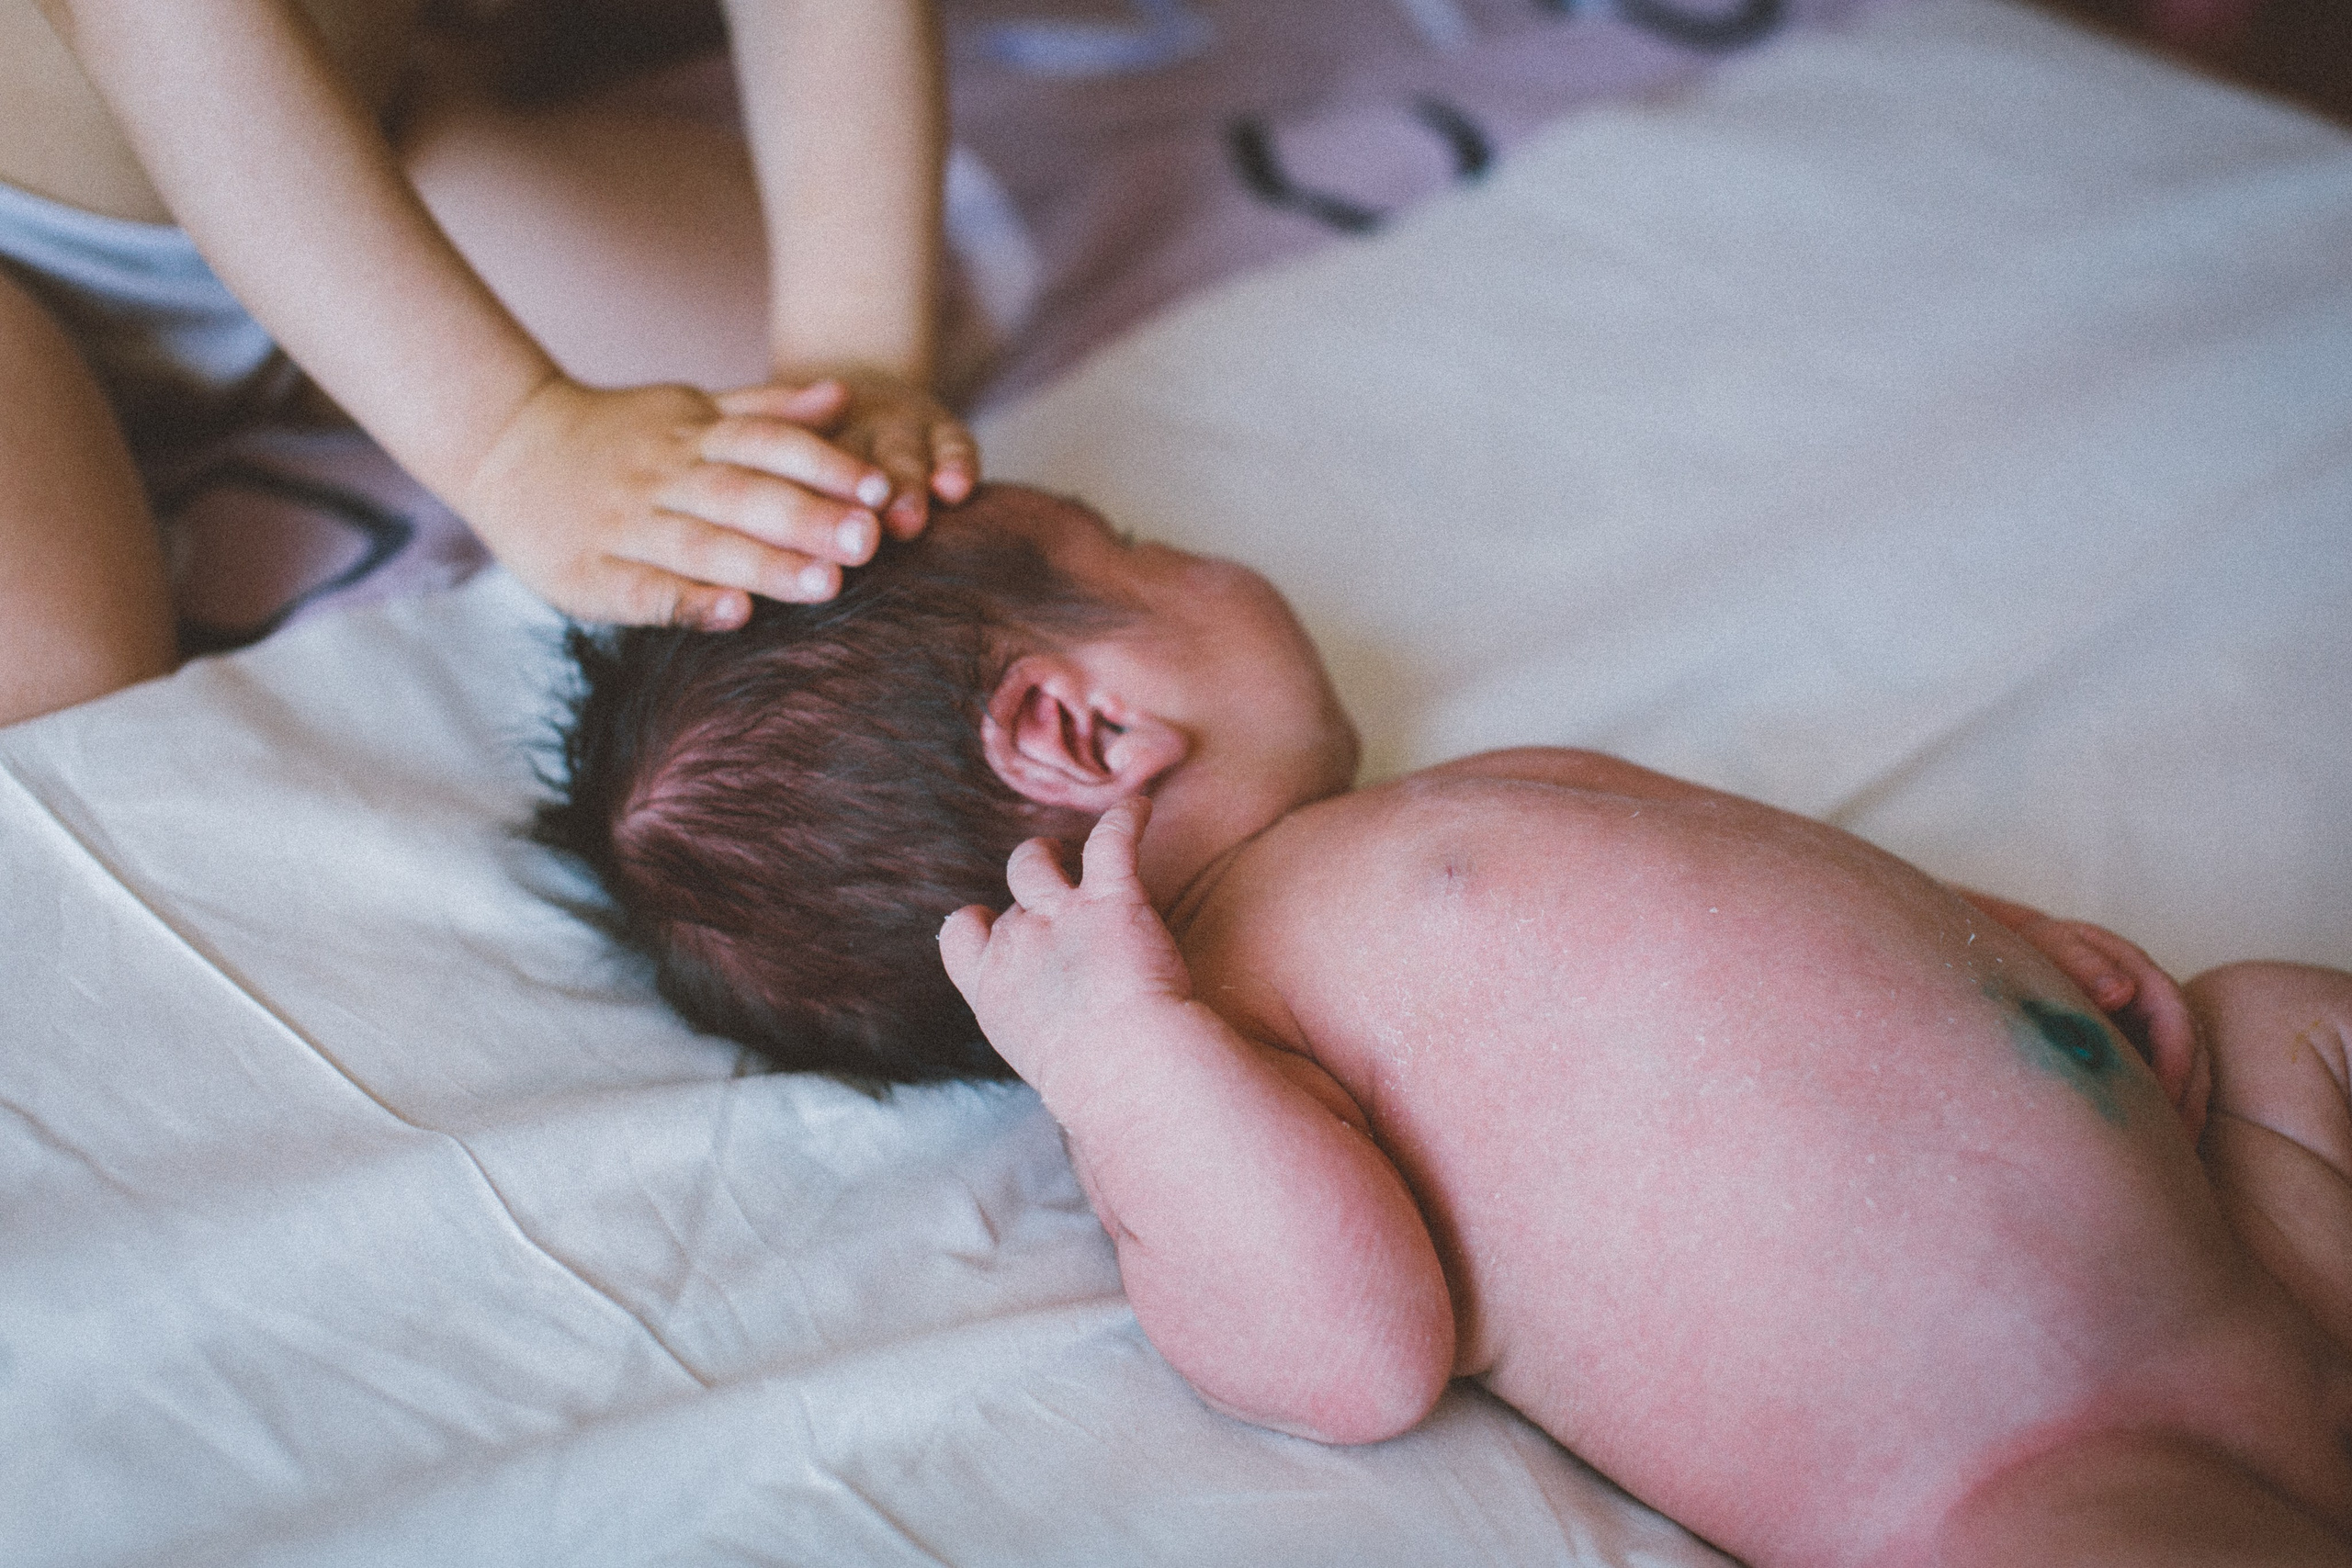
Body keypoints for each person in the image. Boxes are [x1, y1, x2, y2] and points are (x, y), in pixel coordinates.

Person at [539, 483, 2352, 1566]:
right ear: (1079, 727)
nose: (1207, 549)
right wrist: (1122, 1062)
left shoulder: (1466, 800)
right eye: (1135, 542)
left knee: (2285, 1016)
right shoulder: (1211, 1051)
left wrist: (1992, 950)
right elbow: (1345, 1353)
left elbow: (1781, 890)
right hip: (2039, 1462)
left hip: (2222, 1215)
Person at [1, 0, 973, 727]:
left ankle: (352, 355)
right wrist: (511, 437)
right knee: (60, 677)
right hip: (28, 243)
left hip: (345, 157)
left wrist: (858, 348)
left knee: (789, 415)